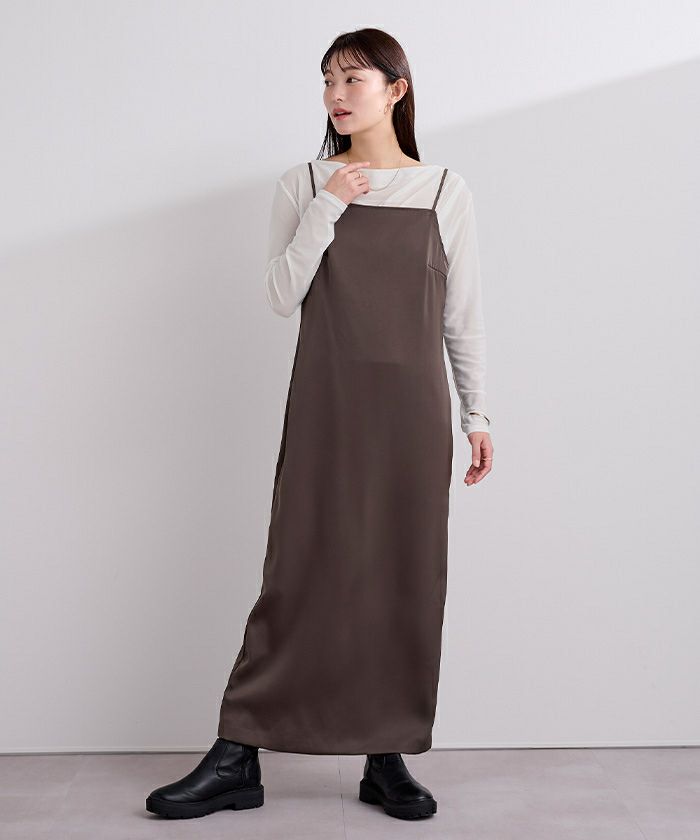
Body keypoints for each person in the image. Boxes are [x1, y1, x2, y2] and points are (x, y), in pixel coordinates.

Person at [146, 27, 493, 823]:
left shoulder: (445, 189)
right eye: (328, 80)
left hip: (413, 415)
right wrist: (330, 205)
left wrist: (478, 412)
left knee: (403, 576)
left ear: (396, 90)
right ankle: (238, 754)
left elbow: (463, 316)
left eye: (353, 79)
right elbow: (280, 294)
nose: (336, 95)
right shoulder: (304, 182)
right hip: (327, 405)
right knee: (298, 569)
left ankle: (386, 755)